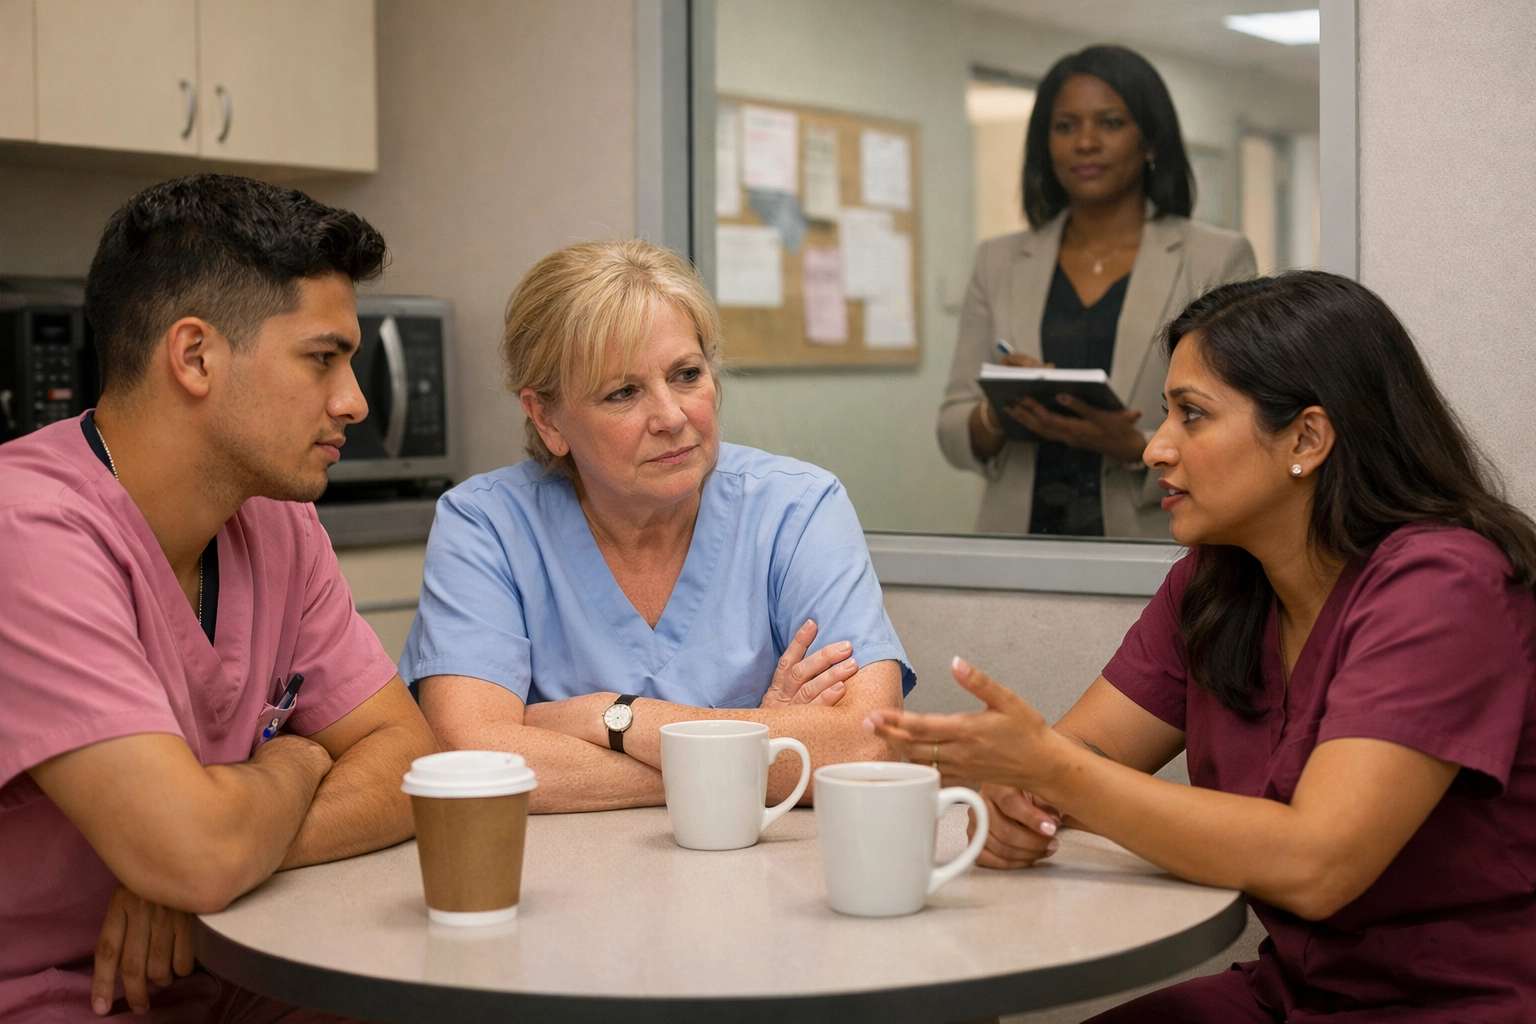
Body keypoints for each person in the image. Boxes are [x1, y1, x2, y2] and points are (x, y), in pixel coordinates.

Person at [876, 273, 1536, 1021]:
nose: (1156, 448)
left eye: (1193, 415)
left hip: (1460, 1003)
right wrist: (1017, 796)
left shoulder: (1445, 586)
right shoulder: (1216, 583)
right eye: (1165, 415)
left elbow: (1319, 864)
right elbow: (1082, 755)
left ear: (1307, 438)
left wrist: (1051, 770)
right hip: (1295, 992)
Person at [0, 175, 439, 1023]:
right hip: (59, 996)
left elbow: (406, 761)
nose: (354, 400)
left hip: (234, 962)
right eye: (322, 358)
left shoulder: (274, 519)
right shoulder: (27, 534)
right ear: (195, 355)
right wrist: (303, 760)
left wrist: (222, 863)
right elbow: (200, 852)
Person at [403, 239, 913, 811]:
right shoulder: (486, 526)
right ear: (547, 417)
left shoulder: (798, 509)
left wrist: (611, 717)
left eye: (687, 374)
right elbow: (468, 757)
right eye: (623, 392)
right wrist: (751, 752)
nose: (671, 417)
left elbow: (867, 749)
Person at [938, 45, 1256, 538]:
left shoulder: (1217, 258)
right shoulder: (997, 260)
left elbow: (1243, 430)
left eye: (1109, 123)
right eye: (1065, 126)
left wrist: (1133, 444)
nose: (1085, 142)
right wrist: (996, 412)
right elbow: (953, 430)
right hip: (1016, 546)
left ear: (1151, 141)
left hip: (1154, 543)